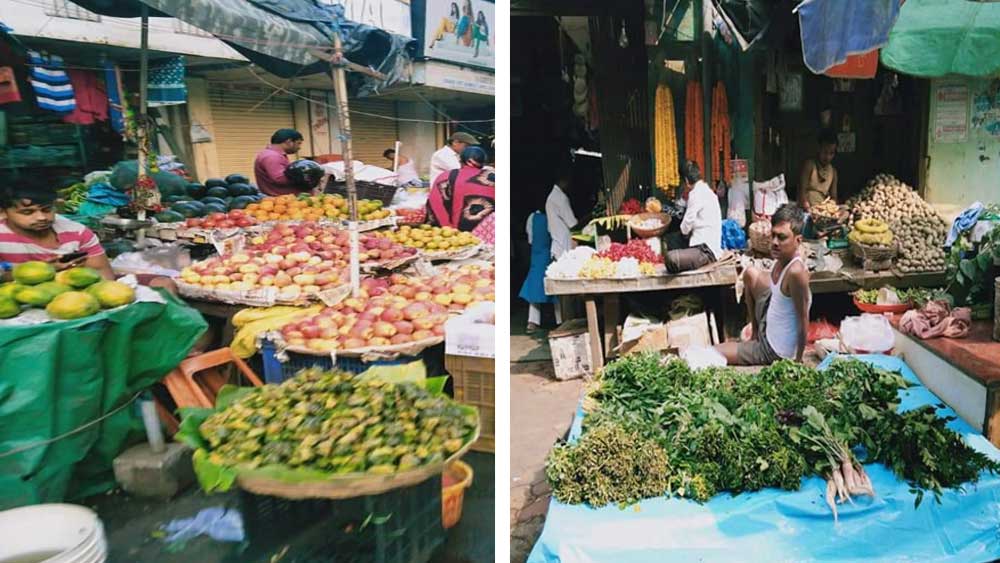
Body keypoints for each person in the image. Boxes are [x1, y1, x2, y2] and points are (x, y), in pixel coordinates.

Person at [716, 204, 812, 365]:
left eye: (782, 237)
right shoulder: (784, 256)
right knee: (750, 273)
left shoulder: (795, 273)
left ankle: (757, 345)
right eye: (773, 235)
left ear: (798, 240)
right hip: (770, 317)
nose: (774, 242)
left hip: (773, 350)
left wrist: (798, 361)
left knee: (714, 352)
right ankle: (755, 332)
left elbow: (803, 319)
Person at [664, 160, 722, 274]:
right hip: (708, 245)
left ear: (686, 180)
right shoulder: (707, 191)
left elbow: (685, 226)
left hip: (705, 251)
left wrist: (684, 232)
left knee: (671, 259)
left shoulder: (696, 194)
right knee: (672, 239)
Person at [427, 146, 494, 232]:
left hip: (459, 235)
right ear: (484, 162)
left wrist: (447, 228)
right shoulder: (493, 176)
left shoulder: (446, 176)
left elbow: (435, 203)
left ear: (460, 160)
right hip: (490, 233)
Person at [519, 194, 559, 333]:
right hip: (549, 254)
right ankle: (560, 321)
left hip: (537, 255)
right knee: (555, 288)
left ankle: (533, 322)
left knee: (535, 288)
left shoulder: (532, 218)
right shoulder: (552, 218)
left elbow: (530, 238)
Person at [254, 128, 305, 197]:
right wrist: (304, 177)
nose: (299, 147)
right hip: (283, 202)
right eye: (298, 143)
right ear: (289, 142)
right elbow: (280, 179)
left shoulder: (275, 154)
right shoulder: (272, 156)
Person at [798, 129, 839, 213]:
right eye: (825, 152)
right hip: (806, 210)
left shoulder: (833, 172)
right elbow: (802, 191)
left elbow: (834, 197)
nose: (827, 157)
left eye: (831, 153)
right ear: (818, 149)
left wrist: (831, 206)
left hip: (822, 211)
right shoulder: (809, 165)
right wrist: (808, 209)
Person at [545, 169, 579, 260]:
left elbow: (549, 227)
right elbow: (572, 223)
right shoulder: (560, 198)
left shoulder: (550, 197)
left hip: (556, 245)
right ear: (564, 181)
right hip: (564, 245)